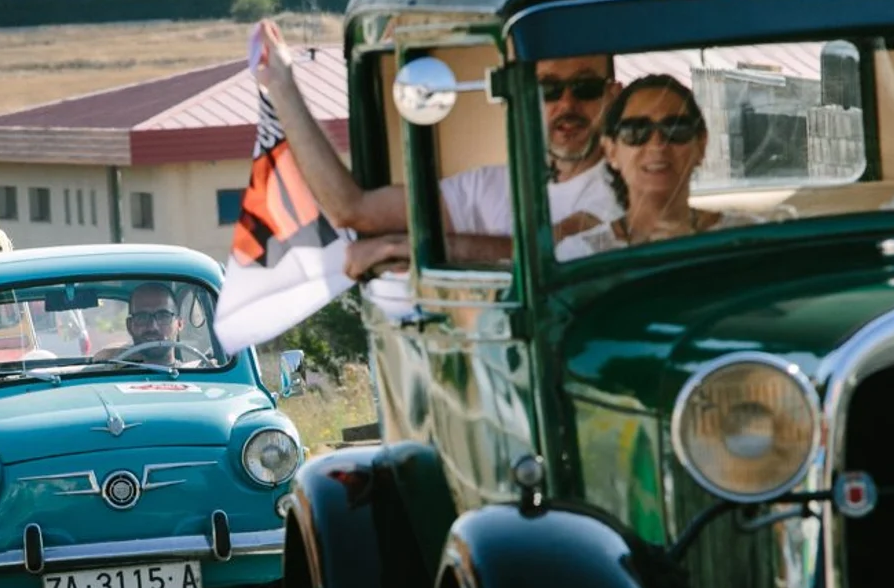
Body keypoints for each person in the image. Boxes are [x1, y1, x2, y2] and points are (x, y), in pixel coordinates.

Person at [252, 20, 622, 281]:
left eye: (586, 88)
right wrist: (283, 86)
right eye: (549, 90)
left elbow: (548, 250)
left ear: (611, 96)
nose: (567, 104)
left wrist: (408, 247)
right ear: (525, 98)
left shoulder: (625, 190)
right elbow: (353, 209)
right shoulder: (487, 185)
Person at [556, 74, 759, 261]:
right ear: (611, 151)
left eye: (676, 129)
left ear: (701, 145)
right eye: (635, 131)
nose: (657, 145)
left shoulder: (746, 239)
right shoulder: (579, 254)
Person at [94, 282, 194, 365]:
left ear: (179, 324)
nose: (152, 327)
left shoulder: (197, 376)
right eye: (142, 317)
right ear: (129, 326)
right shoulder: (110, 377)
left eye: (163, 316)